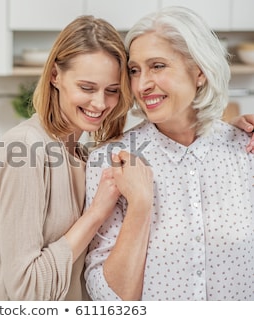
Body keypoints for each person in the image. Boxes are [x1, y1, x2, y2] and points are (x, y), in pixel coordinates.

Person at [0, 15, 153, 300]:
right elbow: (27, 290)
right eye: (87, 88)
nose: (100, 103)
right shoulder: (25, 149)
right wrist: (95, 214)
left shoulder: (83, 155)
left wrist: (231, 131)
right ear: (55, 76)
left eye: (111, 91)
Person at [85, 6, 254, 301]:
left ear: (199, 71)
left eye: (158, 66)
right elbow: (108, 298)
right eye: (135, 70)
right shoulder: (112, 160)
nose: (142, 84)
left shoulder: (245, 150)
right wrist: (140, 206)